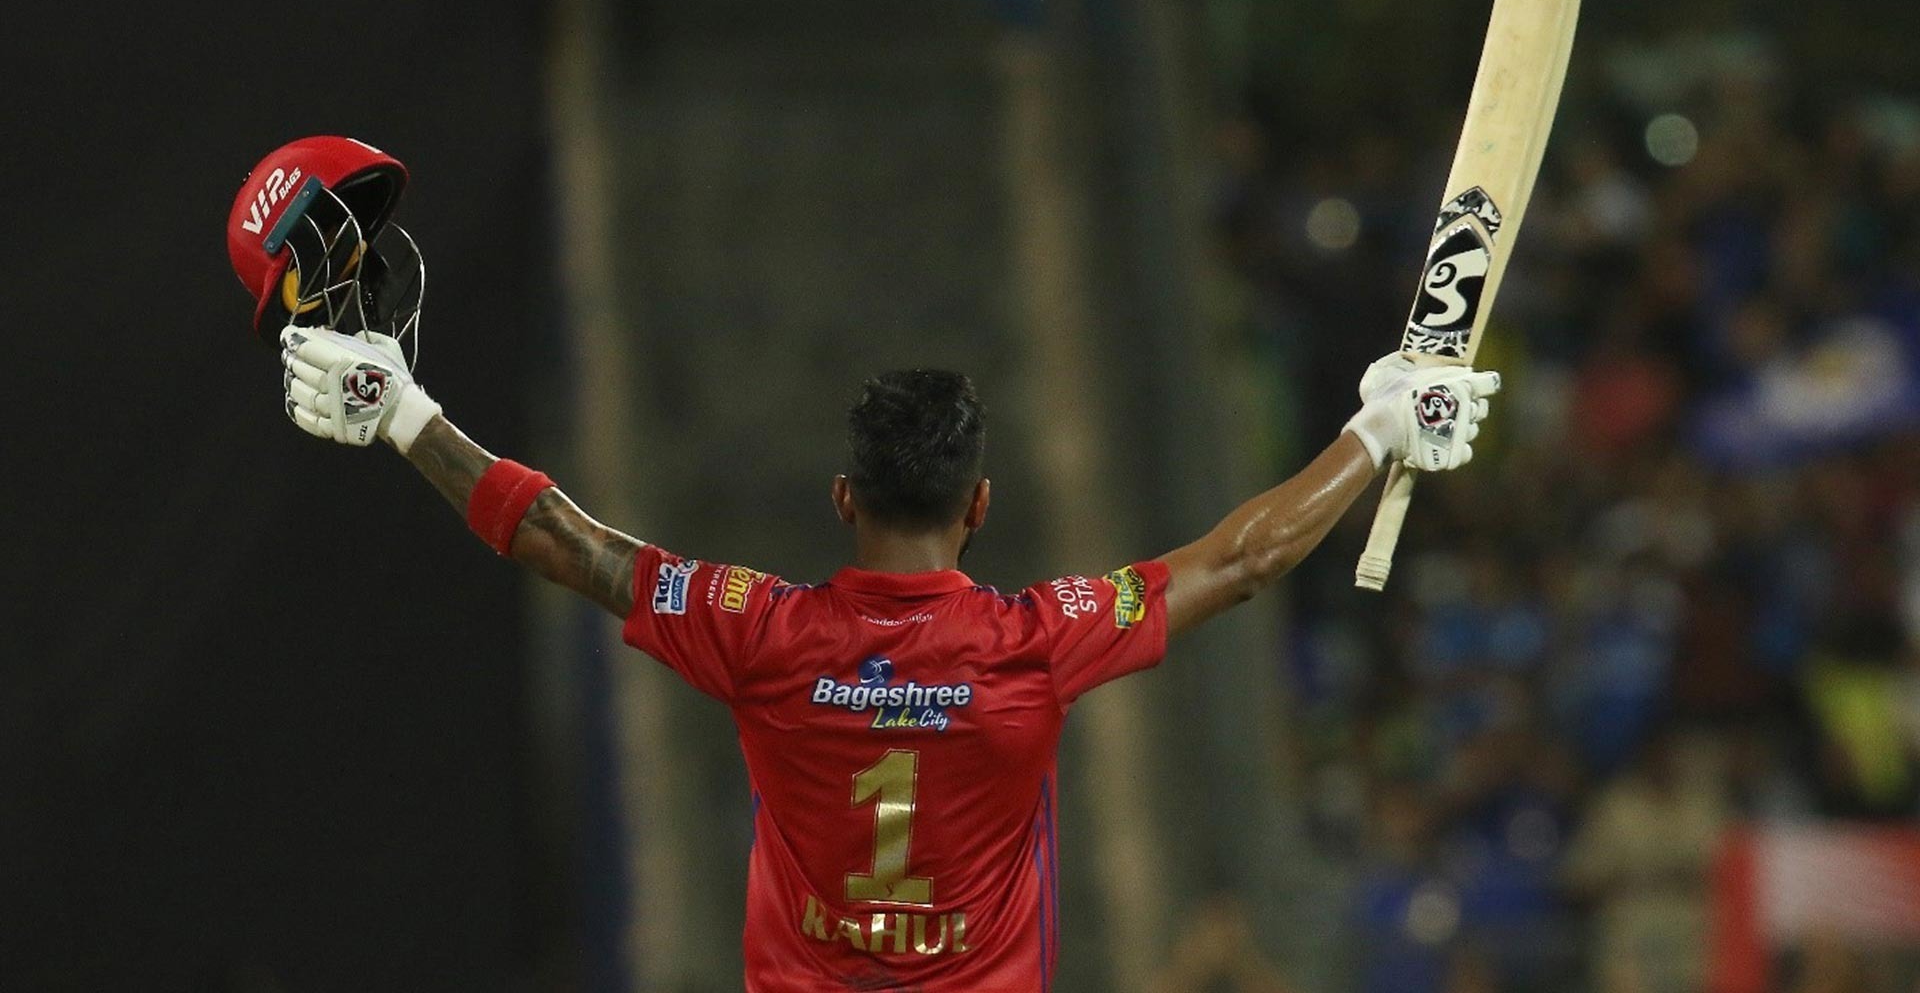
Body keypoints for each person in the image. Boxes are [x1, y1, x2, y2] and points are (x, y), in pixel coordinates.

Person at [276, 327, 1499, 992]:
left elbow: (567, 545)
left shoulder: (759, 632)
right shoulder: (1038, 643)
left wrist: (407, 417)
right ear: (979, 507)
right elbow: (1245, 560)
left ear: (843, 496)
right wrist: (1379, 428)